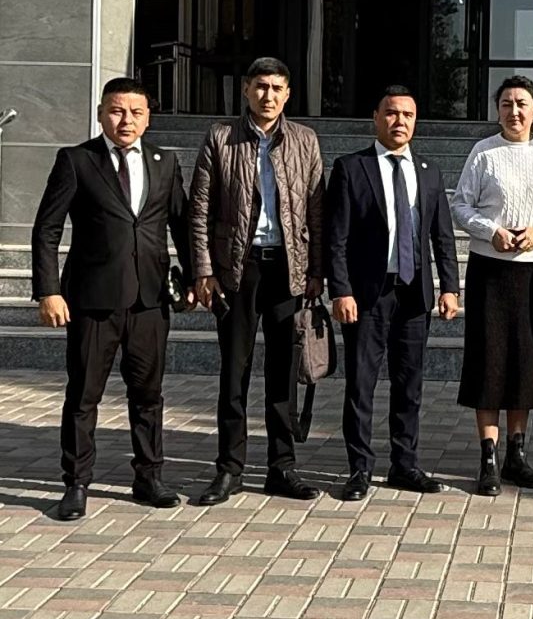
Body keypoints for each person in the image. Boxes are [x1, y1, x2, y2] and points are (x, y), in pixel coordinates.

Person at [32, 77, 194, 521]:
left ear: (148, 117)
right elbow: (47, 229)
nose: (126, 120)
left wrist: (196, 276)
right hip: (93, 301)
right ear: (102, 113)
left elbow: (180, 224)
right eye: (117, 111)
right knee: (84, 396)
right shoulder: (76, 160)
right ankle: (76, 483)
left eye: (136, 112)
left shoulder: (165, 161)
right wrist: (48, 291)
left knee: (148, 395)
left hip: (150, 300)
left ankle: (149, 477)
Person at [189, 57, 324, 505]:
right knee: (235, 373)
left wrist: (316, 271)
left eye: (277, 88)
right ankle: (229, 469)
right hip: (237, 269)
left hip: (288, 269)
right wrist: (204, 270)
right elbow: (201, 209)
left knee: (283, 373)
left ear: (288, 94)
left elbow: (316, 210)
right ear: (246, 89)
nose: (268, 95)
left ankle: (281, 467)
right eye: (261, 86)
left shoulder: (304, 140)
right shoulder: (221, 137)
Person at [326, 85, 460, 501]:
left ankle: (405, 464)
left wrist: (450, 287)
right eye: (391, 113)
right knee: (361, 384)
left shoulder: (429, 170)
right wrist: (341, 290)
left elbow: (442, 236)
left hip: (414, 293)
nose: (399, 121)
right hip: (367, 294)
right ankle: (359, 469)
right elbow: (336, 237)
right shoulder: (351, 168)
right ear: (376, 117)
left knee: (409, 384)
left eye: (408, 114)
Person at [451, 76, 533, 496]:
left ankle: (516, 455)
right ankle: (487, 457)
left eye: (522, 103)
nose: (514, 111)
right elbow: (460, 204)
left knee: (526, 361)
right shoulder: (483, 152)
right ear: (498, 110)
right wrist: (491, 231)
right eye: (506, 103)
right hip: (490, 271)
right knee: (489, 359)